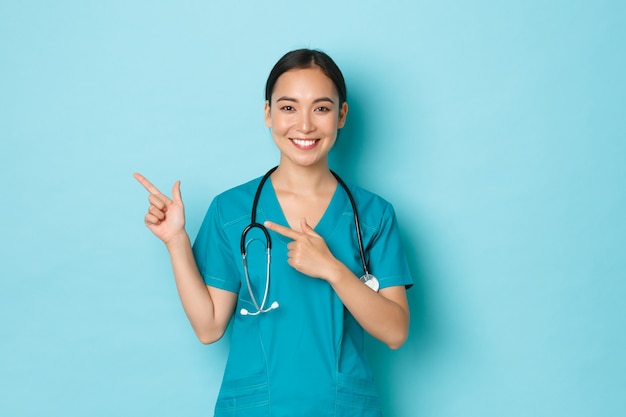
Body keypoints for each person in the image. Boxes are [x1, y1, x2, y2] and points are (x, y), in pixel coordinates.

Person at [134, 48, 413, 417]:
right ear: (267, 113)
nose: (305, 125)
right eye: (288, 107)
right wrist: (175, 241)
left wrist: (332, 268)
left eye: (322, 108)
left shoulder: (374, 215)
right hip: (255, 407)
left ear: (341, 115)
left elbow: (395, 332)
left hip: (340, 407)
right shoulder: (231, 210)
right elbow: (208, 327)